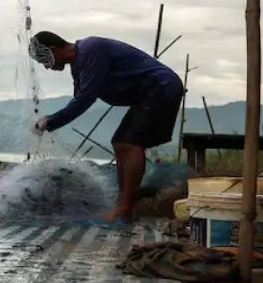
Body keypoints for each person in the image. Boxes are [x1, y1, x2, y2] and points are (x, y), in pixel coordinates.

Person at [28, 31, 184, 223]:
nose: (47, 66)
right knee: (119, 143)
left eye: (45, 59)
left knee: (132, 144)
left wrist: (52, 121)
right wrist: (50, 120)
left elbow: (85, 99)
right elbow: (79, 98)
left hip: (161, 86)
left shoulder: (91, 49)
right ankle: (124, 202)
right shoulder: (78, 66)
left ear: (54, 49)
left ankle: (125, 208)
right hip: (146, 94)